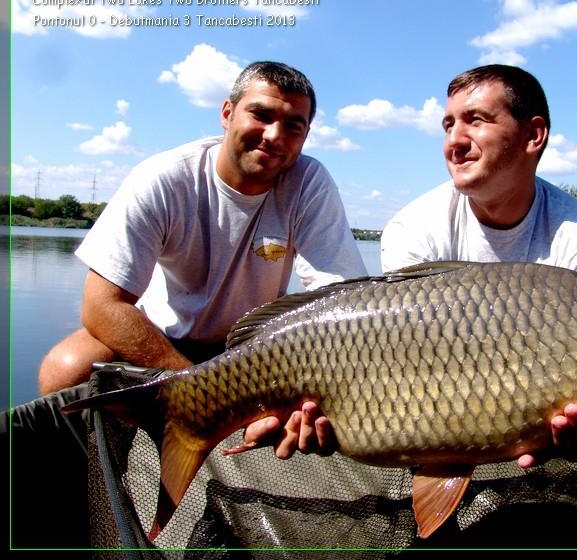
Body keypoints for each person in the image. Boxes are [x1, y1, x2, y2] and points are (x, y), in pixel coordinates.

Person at [38, 60, 366, 457]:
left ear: (305, 135)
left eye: (293, 126)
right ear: (227, 114)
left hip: (255, 352)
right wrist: (195, 386)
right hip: (161, 340)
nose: (274, 135)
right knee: (65, 369)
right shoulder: (164, 177)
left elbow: (341, 301)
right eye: (260, 115)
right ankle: (105, 468)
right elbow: (101, 305)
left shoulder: (309, 182)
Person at [381, 64, 577, 466]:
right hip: (426, 411)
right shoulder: (414, 228)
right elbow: (398, 363)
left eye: (475, 121)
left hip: (542, 438)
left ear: (533, 136)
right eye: (448, 126)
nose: (454, 142)